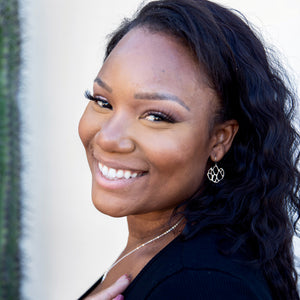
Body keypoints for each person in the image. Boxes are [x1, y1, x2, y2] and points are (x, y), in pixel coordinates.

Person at [78, 0, 300, 299]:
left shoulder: (200, 285)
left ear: (219, 139)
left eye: (156, 116)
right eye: (103, 102)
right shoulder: (159, 247)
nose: (108, 138)